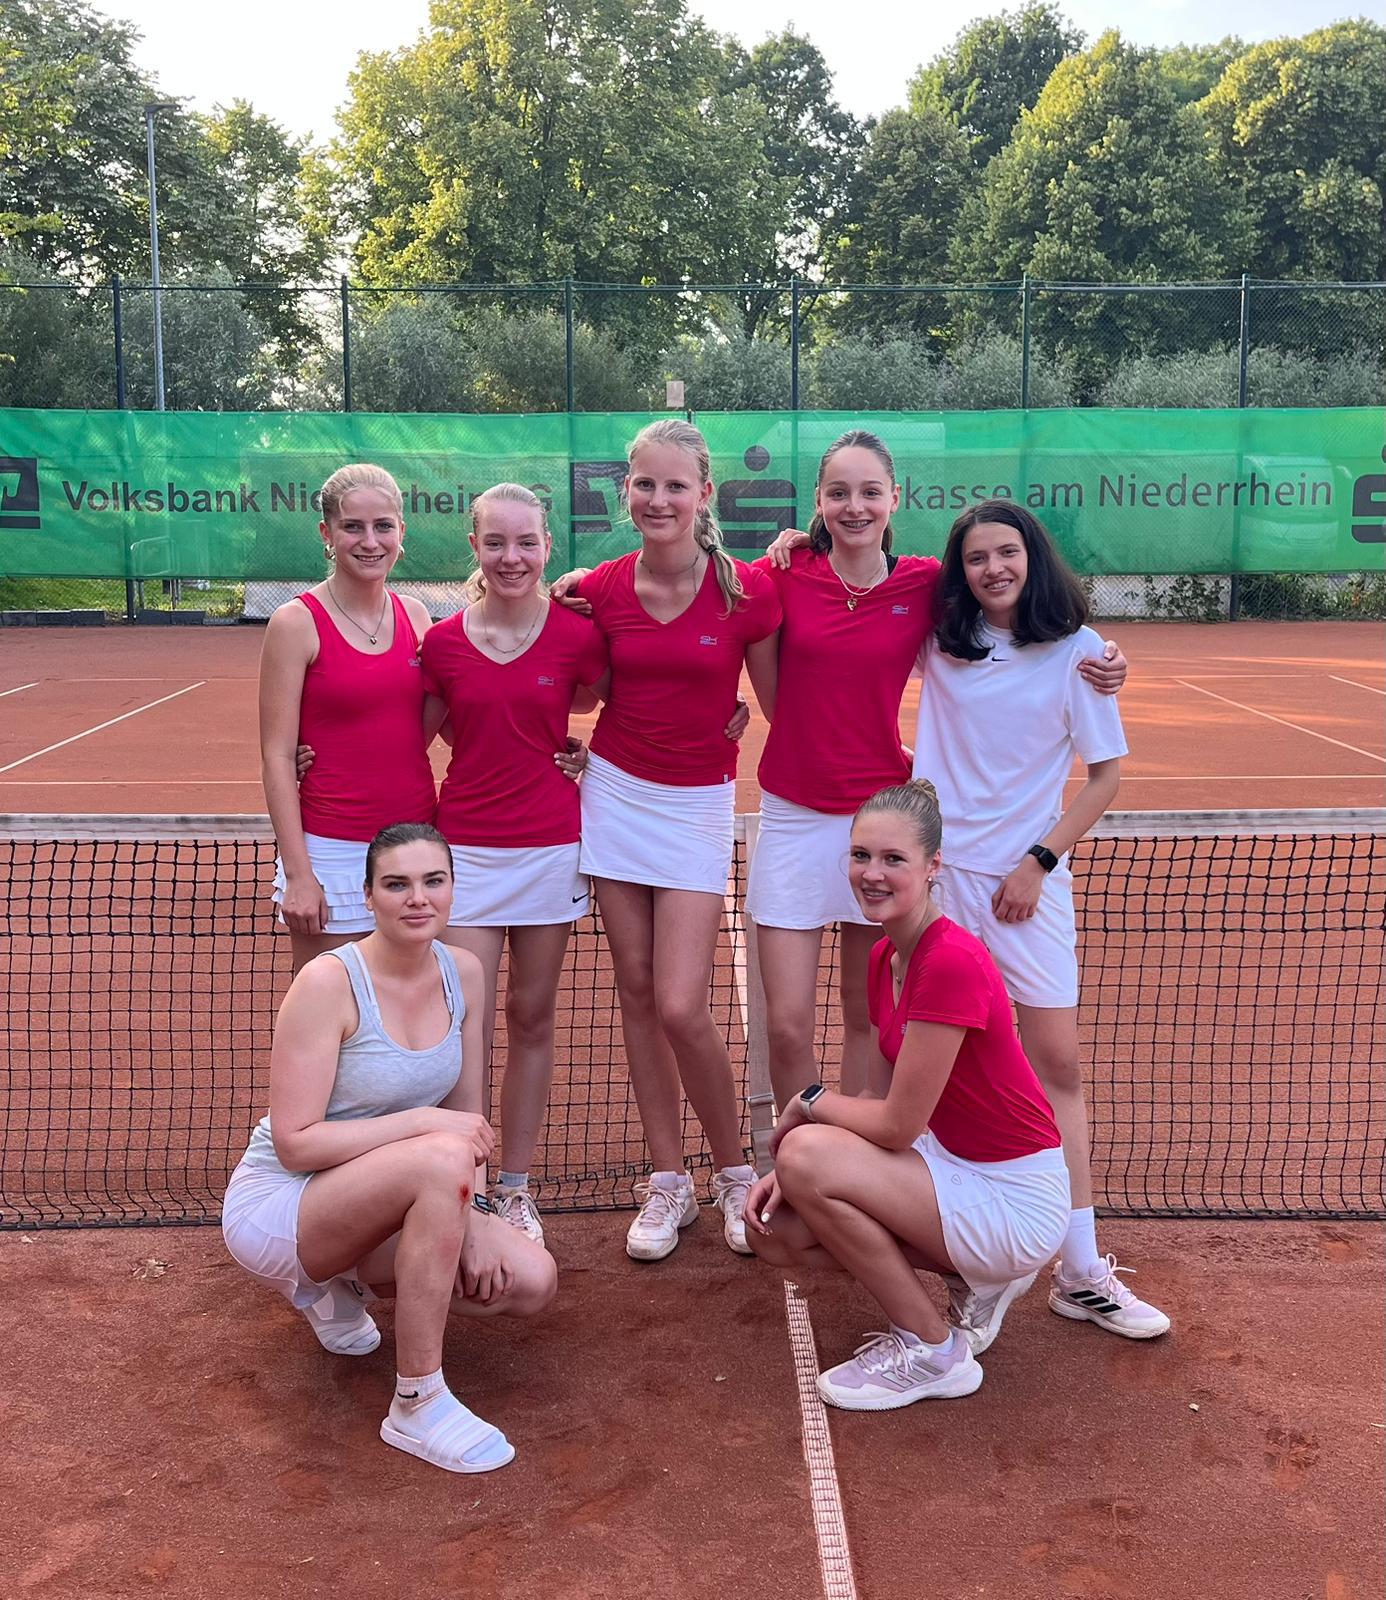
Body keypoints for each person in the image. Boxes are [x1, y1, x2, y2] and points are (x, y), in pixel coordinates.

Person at [757, 439, 1125, 1107]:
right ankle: (798, 1153)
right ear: (819, 502)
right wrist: (578, 584)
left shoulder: (925, 586)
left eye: (871, 491)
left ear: (895, 499)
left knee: (872, 1017)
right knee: (787, 1027)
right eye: (839, 493)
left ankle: (860, 1151)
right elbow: (714, 603)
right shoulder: (784, 571)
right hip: (796, 813)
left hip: (881, 821)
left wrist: (1101, 658)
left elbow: (1015, 615)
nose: (855, 506)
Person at [221, 823, 557, 1474]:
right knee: (439, 1156)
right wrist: (424, 1127)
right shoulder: (327, 983)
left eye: (434, 881)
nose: (417, 898)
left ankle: (339, 1287)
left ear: (453, 888)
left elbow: (466, 1113)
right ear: (369, 895)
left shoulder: (464, 972)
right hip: (283, 1206)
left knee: (533, 1280)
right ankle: (417, 1401)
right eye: (397, 884)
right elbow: (295, 1143)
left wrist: (473, 1216)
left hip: (395, 1184)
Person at [915, 499, 1168, 1339]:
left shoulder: (1080, 653)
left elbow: (1106, 777)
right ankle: (967, 1258)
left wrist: (1039, 861)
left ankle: (1081, 1269)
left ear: (1033, 557)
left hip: (1029, 887)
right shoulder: (940, 639)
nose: (993, 568)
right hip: (942, 885)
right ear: (961, 570)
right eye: (976, 557)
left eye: (1007, 552)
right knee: (946, 1064)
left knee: (1056, 1063)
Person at [744, 781, 1071, 1410]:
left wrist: (807, 1104)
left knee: (805, 1153)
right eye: (861, 855)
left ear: (932, 866)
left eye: (893, 859)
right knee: (776, 1231)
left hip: (1015, 1197)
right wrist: (798, 1169)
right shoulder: (883, 958)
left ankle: (933, 1350)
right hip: (954, 1167)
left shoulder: (949, 961)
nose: (872, 873)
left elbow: (896, 1126)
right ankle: (973, 1278)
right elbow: (876, 1095)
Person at [552, 419, 781, 1261]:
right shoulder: (597, 589)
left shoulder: (748, 591)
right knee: (639, 995)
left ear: (704, 494)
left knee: (683, 1003)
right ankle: (668, 1180)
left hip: (696, 806)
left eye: (675, 485)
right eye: (644, 484)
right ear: (627, 491)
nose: (658, 499)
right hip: (615, 795)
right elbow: (576, 692)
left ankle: (733, 1172)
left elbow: (780, 699)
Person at [421, 483, 610, 1248]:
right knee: (463, 1022)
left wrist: (590, 755)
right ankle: (464, 1187)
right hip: (466, 851)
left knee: (531, 1015)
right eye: (496, 543)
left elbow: (626, 705)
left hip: (550, 848)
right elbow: (410, 735)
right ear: (475, 547)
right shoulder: (442, 644)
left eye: (526, 542)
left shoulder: (576, 636)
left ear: (547, 547)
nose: (512, 557)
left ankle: (514, 1188)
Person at [258, 464, 438, 973]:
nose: (370, 541)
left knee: (410, 1002)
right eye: (352, 527)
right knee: (326, 1007)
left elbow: (421, 730)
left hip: (415, 845)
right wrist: (299, 874)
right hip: (331, 852)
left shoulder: (417, 617)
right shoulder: (295, 623)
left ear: (401, 531)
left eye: (383, 526)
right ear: (327, 532)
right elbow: (277, 756)